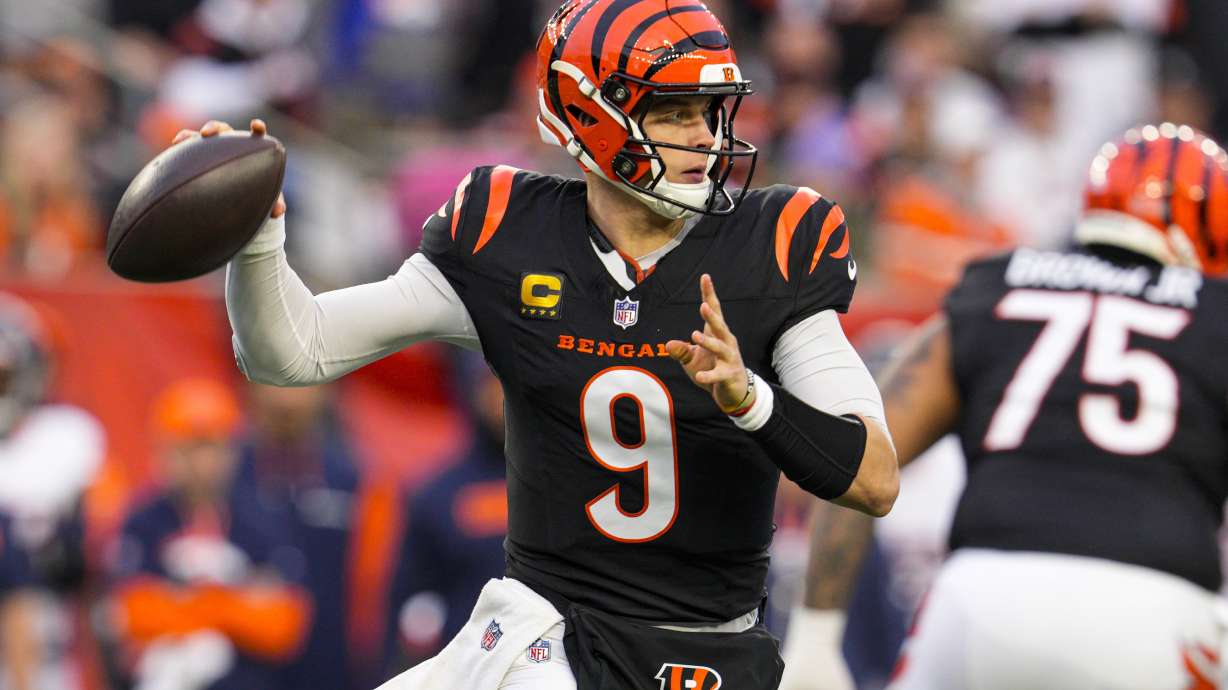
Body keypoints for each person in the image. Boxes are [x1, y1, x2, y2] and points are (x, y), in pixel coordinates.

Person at [185, 1, 899, 687]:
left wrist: (752, 400)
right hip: (541, 632)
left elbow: (873, 477)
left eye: (710, 111)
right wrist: (255, 240)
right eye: (673, 111)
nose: (705, 137)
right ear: (593, 111)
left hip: (701, 651)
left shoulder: (773, 243)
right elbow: (292, 351)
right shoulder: (506, 233)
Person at [780, 122, 1228, 690]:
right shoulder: (1214, 317)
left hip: (982, 602)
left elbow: (857, 460)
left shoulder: (1001, 288)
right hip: (1157, 608)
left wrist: (816, 639)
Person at [107, 378, 311, 690]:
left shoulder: (261, 521)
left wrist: (189, 603)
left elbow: (283, 625)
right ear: (164, 451)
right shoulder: (143, 522)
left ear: (232, 451)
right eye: (187, 448)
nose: (200, 463)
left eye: (210, 447)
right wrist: (239, 602)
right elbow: (133, 615)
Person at [383, 352, 509, 674]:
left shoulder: (558, 485)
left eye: (507, 384)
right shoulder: (436, 495)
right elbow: (410, 597)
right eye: (490, 384)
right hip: (465, 667)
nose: (500, 397)